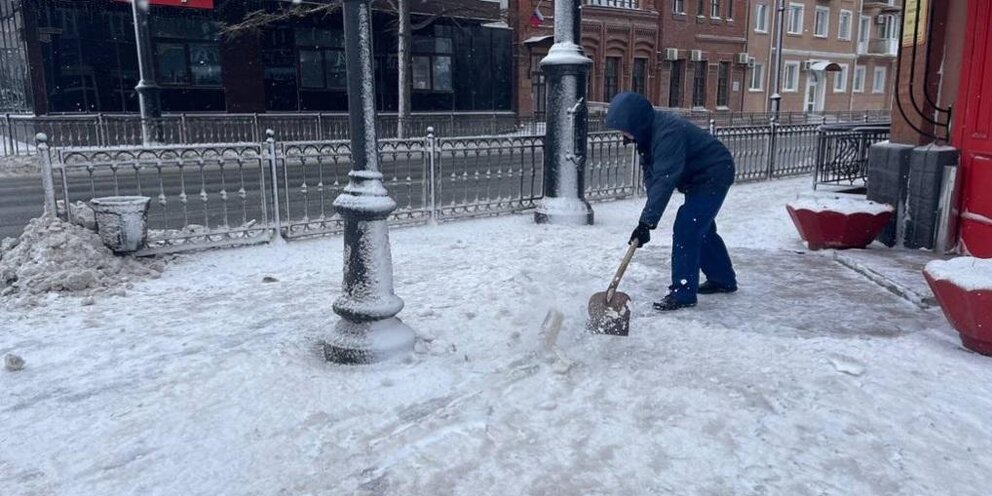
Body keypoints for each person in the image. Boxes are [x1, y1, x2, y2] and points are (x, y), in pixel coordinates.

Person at [605, 92, 738, 311]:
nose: (623, 134)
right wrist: (647, 221)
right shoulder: (647, 135)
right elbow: (653, 178)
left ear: (636, 122)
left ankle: (683, 294)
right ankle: (722, 279)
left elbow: (665, 179)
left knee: (688, 226)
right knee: (701, 228)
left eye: (624, 129)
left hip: (714, 173)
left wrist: (646, 222)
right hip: (696, 177)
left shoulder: (668, 133)